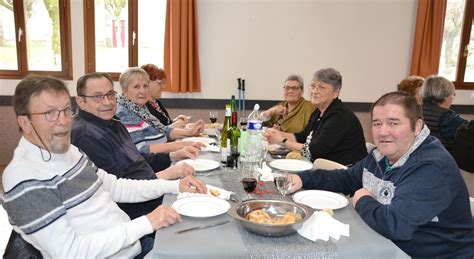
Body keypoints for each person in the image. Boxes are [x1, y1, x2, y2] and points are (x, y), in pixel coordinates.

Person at [1, 75, 207, 258]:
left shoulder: (69, 152)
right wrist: (147, 223)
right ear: (25, 123)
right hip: (128, 248)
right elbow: (69, 252)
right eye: (50, 113)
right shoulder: (24, 178)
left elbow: (116, 186)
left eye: (65, 110)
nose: (64, 121)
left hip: (133, 244)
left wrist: (174, 186)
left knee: (204, 241)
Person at [288, 91, 474, 258]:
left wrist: (362, 199)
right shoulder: (382, 155)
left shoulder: (430, 167)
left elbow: (395, 226)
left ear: (417, 126)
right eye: (377, 124)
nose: (383, 132)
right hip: (385, 244)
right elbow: (346, 178)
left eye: (393, 123)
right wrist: (303, 178)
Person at [72, 72, 198, 220]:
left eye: (110, 94)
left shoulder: (113, 121)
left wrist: (172, 156)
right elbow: (117, 189)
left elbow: (137, 158)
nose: (107, 102)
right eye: (98, 97)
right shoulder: (86, 135)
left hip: (151, 191)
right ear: (80, 101)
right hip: (137, 210)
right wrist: (167, 175)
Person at [263, 68, 367, 165]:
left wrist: (281, 141)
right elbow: (301, 137)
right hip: (322, 167)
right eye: (313, 86)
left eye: (321, 87)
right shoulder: (318, 112)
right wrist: (277, 133)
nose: (314, 91)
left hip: (344, 173)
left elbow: (313, 152)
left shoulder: (340, 117)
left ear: (336, 92)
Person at [117, 67, 205, 154]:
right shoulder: (125, 113)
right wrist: (178, 145)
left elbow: (164, 130)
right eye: (136, 87)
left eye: (145, 86)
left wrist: (190, 132)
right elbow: (141, 150)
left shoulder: (140, 107)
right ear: (124, 90)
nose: (143, 91)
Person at [420, 75, 468, 152]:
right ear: (445, 96)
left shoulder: (413, 110)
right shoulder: (449, 119)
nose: (452, 98)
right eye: (453, 94)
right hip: (441, 160)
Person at [141, 63, 190, 128]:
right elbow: (153, 134)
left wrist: (174, 121)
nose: (163, 86)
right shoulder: (142, 107)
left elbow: (164, 124)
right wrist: (173, 126)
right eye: (160, 83)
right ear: (146, 83)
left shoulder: (156, 102)